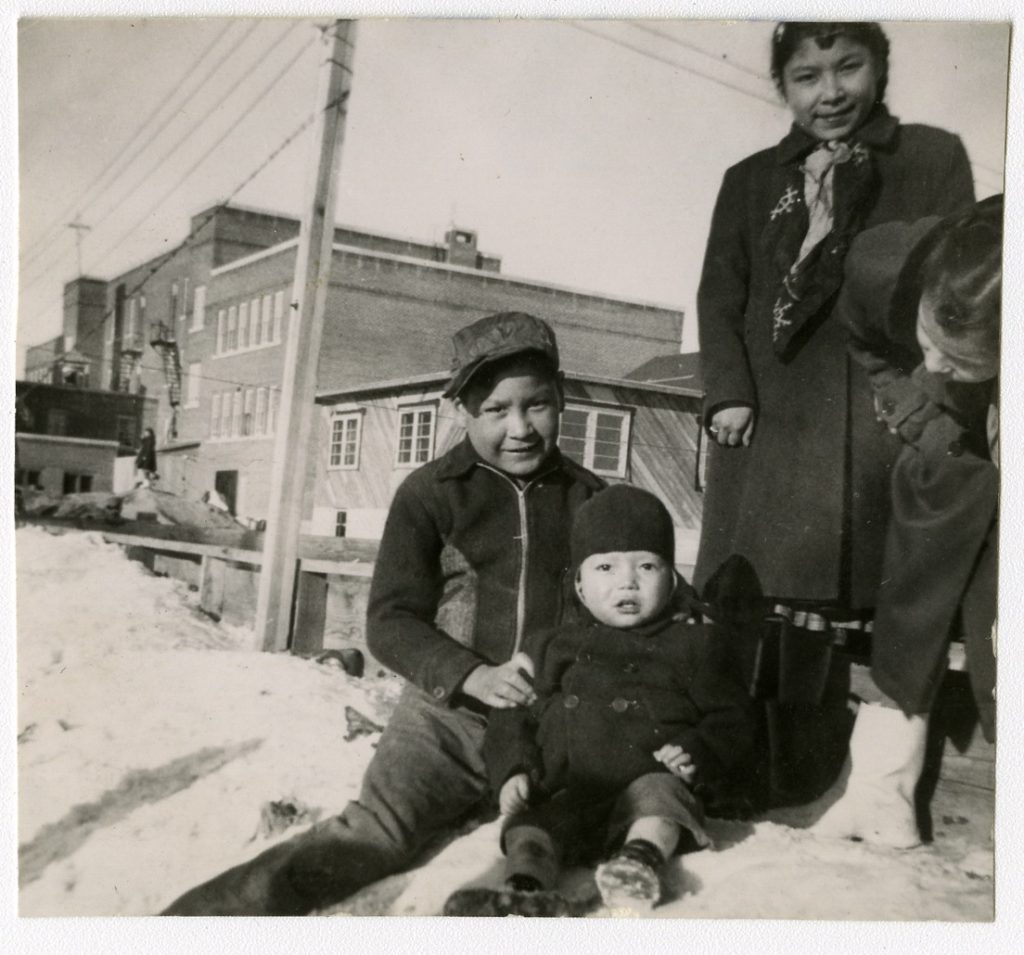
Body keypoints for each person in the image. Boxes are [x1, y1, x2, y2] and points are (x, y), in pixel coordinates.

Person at [161, 312, 604, 915]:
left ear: (562, 400)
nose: (520, 427)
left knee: (590, 835)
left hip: (548, 724)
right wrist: (472, 675)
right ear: (463, 412)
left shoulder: (593, 500)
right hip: (447, 722)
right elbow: (391, 621)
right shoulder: (430, 493)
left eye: (538, 405)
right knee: (377, 836)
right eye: (496, 410)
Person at [693, 21, 977, 804]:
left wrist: (932, 401)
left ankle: (871, 786)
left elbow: (959, 286)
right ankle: (745, 769)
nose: (831, 92)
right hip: (773, 419)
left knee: (877, 592)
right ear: (781, 86)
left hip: (881, 416)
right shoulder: (750, 180)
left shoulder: (929, 157)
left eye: (849, 67)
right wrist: (729, 391)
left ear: (880, 70)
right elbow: (720, 297)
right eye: (807, 76)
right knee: (762, 597)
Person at [448, 486, 754, 915]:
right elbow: (513, 716)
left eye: (647, 566)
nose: (627, 581)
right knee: (529, 829)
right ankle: (524, 889)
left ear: (671, 578)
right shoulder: (551, 645)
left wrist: (697, 750)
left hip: (646, 783)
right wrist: (514, 770)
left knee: (660, 802)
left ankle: (638, 863)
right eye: (606, 567)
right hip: (568, 791)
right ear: (579, 583)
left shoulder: (693, 645)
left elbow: (732, 717)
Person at [815, 197, 1000, 847]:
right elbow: (867, 340)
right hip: (945, 437)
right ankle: (877, 792)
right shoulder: (884, 267)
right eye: (931, 343)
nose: (942, 364)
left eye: (965, 360)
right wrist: (914, 405)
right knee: (912, 599)